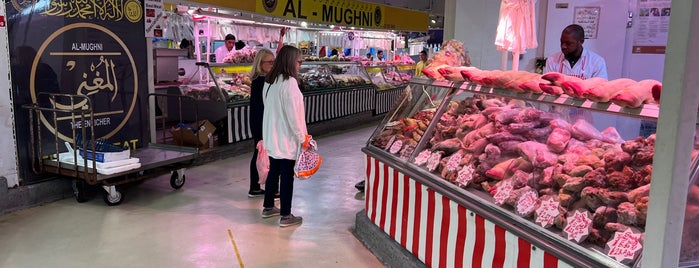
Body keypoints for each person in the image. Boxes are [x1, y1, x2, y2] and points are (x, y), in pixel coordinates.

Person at [261, 45, 307, 227]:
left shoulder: (270, 81)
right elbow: (293, 116)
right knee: (287, 174)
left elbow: (270, 108)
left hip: (272, 135)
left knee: (274, 170)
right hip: (286, 138)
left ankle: (268, 206)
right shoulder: (290, 83)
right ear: (290, 61)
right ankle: (286, 215)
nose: (300, 65)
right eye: (299, 61)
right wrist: (302, 138)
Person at [247, 28, 286, 198]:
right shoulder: (262, 81)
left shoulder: (259, 79)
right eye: (270, 62)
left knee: (259, 152)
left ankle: (255, 187)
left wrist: (280, 39)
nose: (273, 65)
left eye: (273, 62)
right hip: (262, 122)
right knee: (266, 154)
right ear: (261, 64)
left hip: (260, 121)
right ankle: (267, 187)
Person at [544, 24, 607, 122]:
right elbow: (548, 90)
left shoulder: (596, 61)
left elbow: (600, 91)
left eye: (568, 43)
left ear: (581, 42)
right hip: (556, 117)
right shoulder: (552, 60)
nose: (563, 46)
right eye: (561, 42)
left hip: (583, 119)